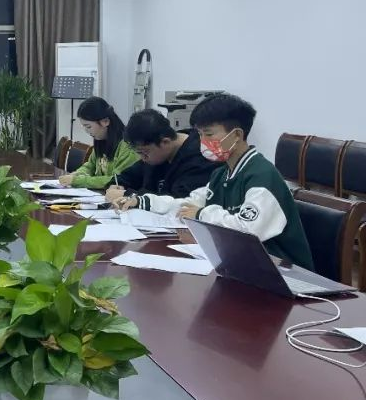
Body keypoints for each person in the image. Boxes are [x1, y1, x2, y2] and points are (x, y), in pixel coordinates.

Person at [130, 94, 314, 270]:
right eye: (199, 134)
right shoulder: (221, 174)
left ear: (236, 135)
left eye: (209, 134)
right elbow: (189, 204)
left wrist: (201, 214)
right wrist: (143, 201)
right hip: (244, 264)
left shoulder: (262, 175)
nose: (202, 142)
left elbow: (247, 231)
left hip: (286, 273)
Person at [107, 109, 218, 208]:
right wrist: (115, 186)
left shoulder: (200, 158)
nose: (143, 158)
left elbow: (177, 200)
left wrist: (128, 195)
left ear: (165, 142)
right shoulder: (156, 154)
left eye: (144, 153)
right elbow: (126, 177)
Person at [60, 97, 139, 189]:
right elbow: (90, 166)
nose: (86, 131)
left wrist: (78, 181)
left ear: (105, 121)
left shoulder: (127, 146)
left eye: (88, 127)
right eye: (83, 126)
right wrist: (77, 174)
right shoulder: (101, 140)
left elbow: (117, 180)